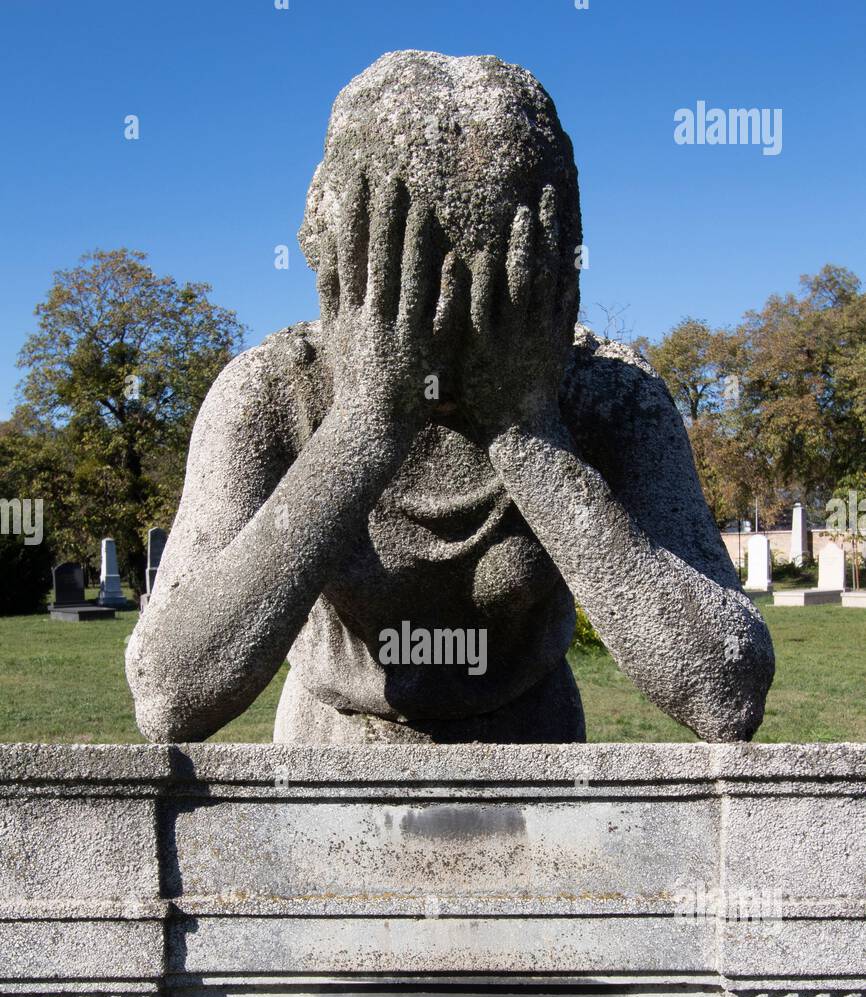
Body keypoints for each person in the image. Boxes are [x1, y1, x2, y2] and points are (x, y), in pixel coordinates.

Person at [127, 51, 773, 745]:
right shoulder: (270, 394)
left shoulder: (610, 397)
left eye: (497, 277)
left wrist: (526, 432)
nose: (446, 317)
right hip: (330, 760)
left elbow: (726, 687)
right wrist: (364, 425)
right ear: (327, 245)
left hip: (534, 757)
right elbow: (170, 692)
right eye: (402, 274)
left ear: (555, 257)